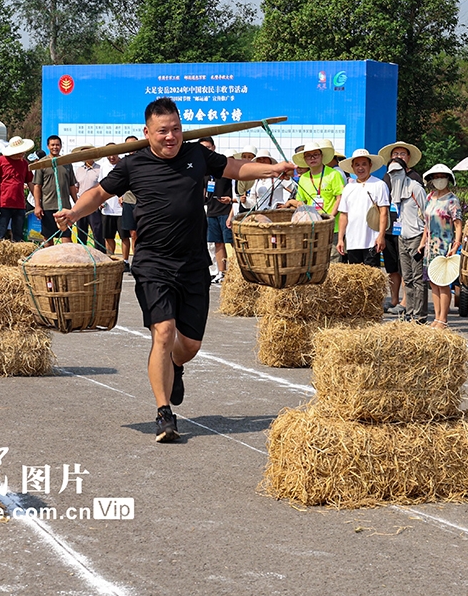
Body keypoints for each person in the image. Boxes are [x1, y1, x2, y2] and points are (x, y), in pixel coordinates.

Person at [55, 97, 296, 443]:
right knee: (164, 332)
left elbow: (234, 168)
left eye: (176, 129)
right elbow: (97, 193)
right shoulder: (133, 164)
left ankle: (176, 366)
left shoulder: (196, 155)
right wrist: (74, 213)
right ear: (147, 132)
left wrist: (273, 169)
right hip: (153, 262)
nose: (171, 137)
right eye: (163, 131)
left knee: (190, 346)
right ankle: (164, 413)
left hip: (194, 263)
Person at [378, 140, 424, 314]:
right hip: (391, 228)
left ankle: (408, 304)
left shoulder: (414, 181)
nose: (398, 156)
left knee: (410, 271)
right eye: (395, 154)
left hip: (412, 231)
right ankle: (395, 299)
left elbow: (423, 211)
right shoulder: (387, 177)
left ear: (408, 159)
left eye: (402, 154)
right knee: (392, 267)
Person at [420, 164, 463, 329]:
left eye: (442, 176)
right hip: (430, 247)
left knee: (443, 282)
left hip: (444, 244)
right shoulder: (430, 197)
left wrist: (456, 244)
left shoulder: (452, 200)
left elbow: (458, 224)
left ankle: (443, 319)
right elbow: (426, 223)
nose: (439, 180)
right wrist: (422, 243)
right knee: (433, 282)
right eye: (436, 177)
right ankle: (437, 317)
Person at [386, 156, 427, 323]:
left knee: (419, 279)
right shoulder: (394, 191)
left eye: (398, 171)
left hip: (417, 237)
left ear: (405, 171)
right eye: (391, 172)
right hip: (402, 237)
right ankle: (409, 313)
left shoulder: (415, 188)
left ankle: (420, 315)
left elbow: (427, 216)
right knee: (407, 278)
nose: (395, 175)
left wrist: (424, 241)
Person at [287, 141, 345, 249]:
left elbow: (340, 198)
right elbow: (301, 202)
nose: (312, 158)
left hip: (332, 227)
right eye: (308, 156)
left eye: (315, 155)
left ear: (321, 156)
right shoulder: (303, 178)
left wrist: (330, 217)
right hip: (311, 228)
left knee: (333, 261)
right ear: (304, 159)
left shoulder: (333, 174)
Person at [336, 148, 389, 266]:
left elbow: (383, 212)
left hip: (372, 240)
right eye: (357, 165)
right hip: (352, 240)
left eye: (364, 164)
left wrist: (381, 236)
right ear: (352, 167)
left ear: (370, 165)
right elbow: (343, 215)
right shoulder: (348, 188)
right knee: (355, 278)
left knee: (372, 278)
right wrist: (340, 239)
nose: (361, 168)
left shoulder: (379, 185)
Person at [31, 135, 78, 245]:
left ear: (61, 146)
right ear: (48, 146)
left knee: (66, 237)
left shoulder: (67, 163)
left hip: (64, 207)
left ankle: (66, 261)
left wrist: (77, 202)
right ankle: (48, 262)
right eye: (52, 145)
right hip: (48, 206)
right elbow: (37, 186)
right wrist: (37, 205)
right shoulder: (42, 163)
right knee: (48, 238)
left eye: (57, 145)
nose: (55, 147)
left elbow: (72, 185)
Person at [200, 136, 234, 284]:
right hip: (211, 211)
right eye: (202, 148)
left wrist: (232, 204)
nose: (205, 151)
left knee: (232, 243)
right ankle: (222, 272)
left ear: (214, 148)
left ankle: (237, 273)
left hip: (227, 211)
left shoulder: (223, 165)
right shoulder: (202, 169)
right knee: (217, 243)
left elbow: (235, 189)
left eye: (208, 147)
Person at [0, 136, 35, 242]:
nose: (22, 153)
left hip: (19, 204)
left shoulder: (24, 163)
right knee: (1, 232)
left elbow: (30, 182)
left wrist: (37, 200)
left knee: (18, 233)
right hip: (3, 203)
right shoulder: (0, 161)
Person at [71, 145, 106, 252]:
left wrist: (102, 201)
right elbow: (76, 187)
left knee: (97, 231)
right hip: (81, 204)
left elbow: (104, 186)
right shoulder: (79, 170)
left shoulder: (100, 169)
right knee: (81, 232)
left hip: (95, 205)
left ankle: (100, 254)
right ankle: (82, 255)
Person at [119, 135, 141, 271]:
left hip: (142, 202)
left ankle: (140, 261)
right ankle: (132, 261)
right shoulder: (124, 162)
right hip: (128, 201)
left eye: (134, 144)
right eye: (128, 145)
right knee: (132, 233)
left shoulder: (145, 159)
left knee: (141, 233)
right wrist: (120, 195)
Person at [100, 150, 124, 255]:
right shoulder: (103, 167)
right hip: (107, 209)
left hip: (121, 209)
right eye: (108, 155)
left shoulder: (124, 165)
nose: (111, 157)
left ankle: (125, 261)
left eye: (114, 154)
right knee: (108, 236)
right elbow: (100, 186)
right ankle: (110, 258)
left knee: (124, 237)